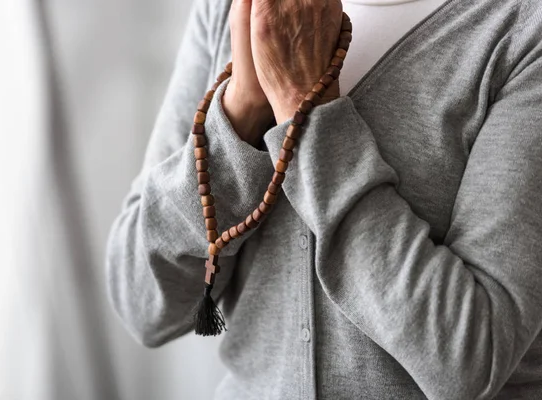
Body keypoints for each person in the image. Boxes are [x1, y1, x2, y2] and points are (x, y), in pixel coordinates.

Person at [105, 0, 542, 398]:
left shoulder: (522, 34)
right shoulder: (228, 10)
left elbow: (471, 361)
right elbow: (140, 301)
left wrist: (303, 108)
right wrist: (240, 115)